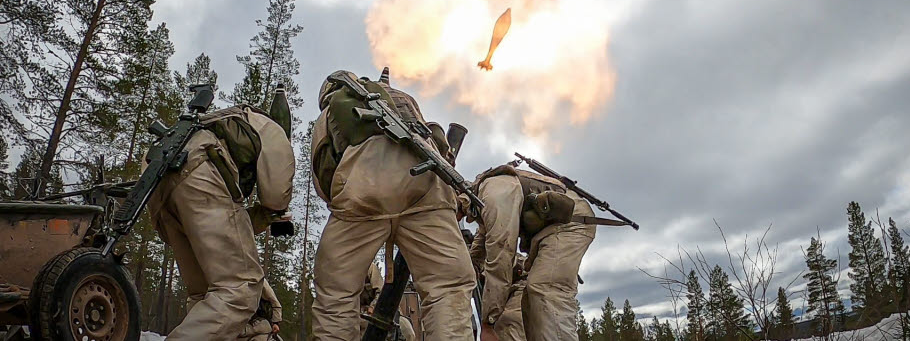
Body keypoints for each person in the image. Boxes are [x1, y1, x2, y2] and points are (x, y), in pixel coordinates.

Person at [310, 70, 476, 340]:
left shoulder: (330, 112)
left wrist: (345, 205)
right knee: (447, 288)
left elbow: (323, 172)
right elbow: (435, 139)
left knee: (336, 295)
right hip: (426, 188)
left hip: (361, 193)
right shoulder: (404, 99)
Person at [147, 104, 294, 340]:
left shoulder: (216, 122)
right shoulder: (268, 126)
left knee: (206, 295)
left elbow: (224, 227)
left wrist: (259, 217)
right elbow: (276, 194)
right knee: (241, 289)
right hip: (198, 169)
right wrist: (275, 212)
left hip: (159, 184)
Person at [467, 164, 596, 341]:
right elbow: (480, 247)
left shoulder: (493, 193)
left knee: (546, 290)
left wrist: (488, 323)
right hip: (552, 231)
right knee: (531, 302)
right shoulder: (483, 203)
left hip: (570, 224)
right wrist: (469, 269)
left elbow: (501, 253)